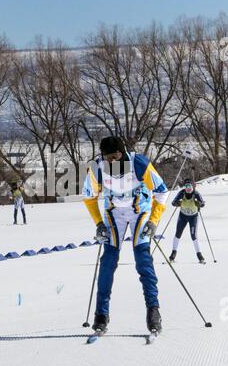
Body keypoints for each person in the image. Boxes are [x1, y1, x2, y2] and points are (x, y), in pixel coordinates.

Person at [83, 136, 169, 333]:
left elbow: (162, 192)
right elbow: (89, 197)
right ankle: (101, 314)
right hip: (114, 214)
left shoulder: (138, 163)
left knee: (143, 260)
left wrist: (154, 221)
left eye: (116, 156)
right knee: (108, 262)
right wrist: (98, 223)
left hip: (140, 212)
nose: (112, 162)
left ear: (122, 152)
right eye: (108, 158)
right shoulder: (97, 168)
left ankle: (153, 310)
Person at [169, 179, 205, 263]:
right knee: (178, 233)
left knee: (193, 236)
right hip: (183, 216)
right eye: (186, 186)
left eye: (189, 186)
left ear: (193, 186)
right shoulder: (182, 193)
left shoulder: (196, 194)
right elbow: (173, 202)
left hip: (193, 217)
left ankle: (199, 255)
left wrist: (199, 204)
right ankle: (173, 254)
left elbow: (203, 203)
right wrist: (177, 203)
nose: (187, 188)